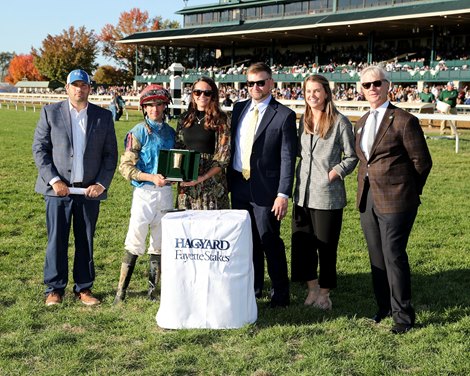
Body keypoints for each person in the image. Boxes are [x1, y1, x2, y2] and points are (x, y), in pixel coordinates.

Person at [356, 65, 432, 334]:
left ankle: (403, 316)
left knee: (393, 256)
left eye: (377, 83)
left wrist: (407, 191)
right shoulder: (362, 122)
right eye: (367, 85)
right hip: (368, 201)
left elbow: (422, 162)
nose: (372, 89)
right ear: (361, 90)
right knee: (376, 256)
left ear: (388, 86)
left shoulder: (403, 120)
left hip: (397, 202)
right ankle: (384, 306)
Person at [32, 69, 118, 306]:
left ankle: (84, 288)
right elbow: (40, 150)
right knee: (56, 240)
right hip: (58, 190)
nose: (79, 89)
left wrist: (101, 184)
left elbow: (110, 155)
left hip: (89, 191)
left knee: (86, 240)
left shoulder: (103, 116)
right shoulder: (50, 113)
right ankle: (54, 289)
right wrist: (55, 181)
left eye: (84, 85)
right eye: (75, 85)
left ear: (90, 88)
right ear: (67, 88)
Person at [228, 62, 297, 308]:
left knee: (269, 240)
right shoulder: (238, 109)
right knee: (247, 242)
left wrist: (283, 194)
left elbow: (288, 158)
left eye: (260, 82)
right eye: (251, 83)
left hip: (267, 190)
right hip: (238, 186)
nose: (255, 87)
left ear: (271, 83)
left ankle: (281, 294)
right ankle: (254, 289)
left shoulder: (285, 115)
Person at [291, 75, 358, 310]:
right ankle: (312, 288)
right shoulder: (304, 120)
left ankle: (325, 293)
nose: (312, 96)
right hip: (302, 194)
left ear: (326, 93)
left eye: (317, 91)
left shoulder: (340, 122)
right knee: (303, 246)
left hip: (328, 196)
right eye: (308, 91)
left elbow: (352, 156)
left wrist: (335, 172)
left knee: (326, 247)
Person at [113, 85, 176, 304]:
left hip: (166, 192)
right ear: (144, 108)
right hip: (144, 193)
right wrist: (151, 177)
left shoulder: (170, 132)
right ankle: (121, 290)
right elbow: (125, 168)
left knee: (159, 241)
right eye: (150, 106)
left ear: (165, 107)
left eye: (159, 105)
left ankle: (153, 291)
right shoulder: (137, 132)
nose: (155, 110)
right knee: (135, 239)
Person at [175, 76, 231, 210]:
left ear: (213, 96)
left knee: (212, 228)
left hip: (212, 183)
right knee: (186, 227)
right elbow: (178, 148)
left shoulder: (221, 119)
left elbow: (223, 157)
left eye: (207, 93)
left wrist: (202, 177)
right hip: (187, 183)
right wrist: (176, 174)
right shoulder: (184, 118)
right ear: (192, 94)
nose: (202, 96)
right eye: (197, 92)